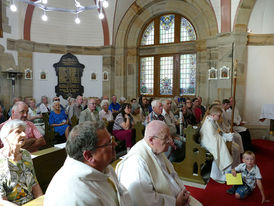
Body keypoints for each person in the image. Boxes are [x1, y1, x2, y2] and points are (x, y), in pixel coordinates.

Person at [44, 121, 132, 206]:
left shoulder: (103, 167)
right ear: (89, 156)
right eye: (108, 143)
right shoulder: (76, 194)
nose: (115, 144)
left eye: (111, 139)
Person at [116, 120, 202, 206]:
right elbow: (144, 201)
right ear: (151, 140)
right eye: (166, 138)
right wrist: (175, 203)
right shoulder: (136, 164)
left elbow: (171, 174)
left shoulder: (155, 149)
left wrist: (182, 190)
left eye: (170, 136)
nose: (170, 141)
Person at [0, 119, 43, 205]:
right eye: (18, 132)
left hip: (31, 202)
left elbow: (34, 183)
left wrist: (41, 200)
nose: (24, 134)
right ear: (6, 136)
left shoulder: (25, 154)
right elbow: (2, 200)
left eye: (23, 131)